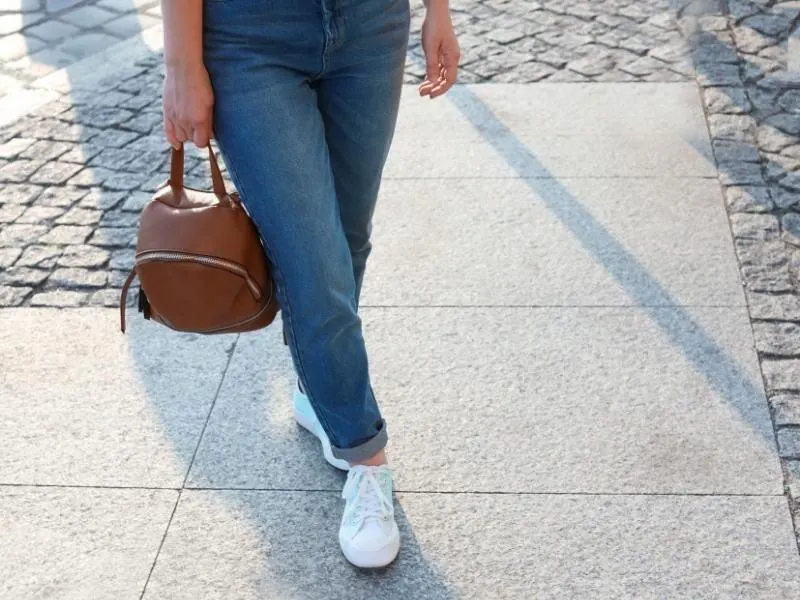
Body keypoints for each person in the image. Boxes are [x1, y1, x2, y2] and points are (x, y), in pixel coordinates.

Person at [160, 0, 459, 568]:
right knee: (314, 262)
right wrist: (181, 64)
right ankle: (364, 455)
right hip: (249, 36)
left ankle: (315, 388)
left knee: (346, 241)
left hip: (373, 26)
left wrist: (437, 11)